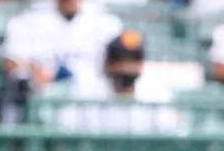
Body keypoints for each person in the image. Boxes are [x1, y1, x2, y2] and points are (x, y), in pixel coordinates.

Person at [1, 0, 122, 123]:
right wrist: (31, 70)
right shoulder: (28, 19)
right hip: (43, 111)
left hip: (91, 112)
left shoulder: (106, 22)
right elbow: (11, 62)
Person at [44, 29, 183, 134]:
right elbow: (65, 127)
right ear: (108, 63)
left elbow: (170, 131)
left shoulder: (155, 92)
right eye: (120, 60)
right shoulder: (87, 90)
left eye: (133, 60)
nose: (126, 67)